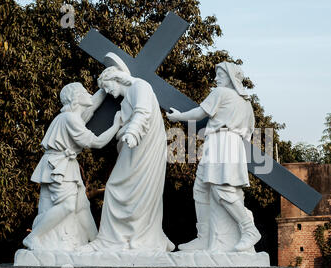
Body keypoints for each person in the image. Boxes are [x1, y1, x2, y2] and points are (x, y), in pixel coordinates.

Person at [82, 53, 174, 252]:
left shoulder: (140, 86)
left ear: (116, 78)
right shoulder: (125, 101)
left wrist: (131, 132)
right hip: (132, 148)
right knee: (118, 188)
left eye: (108, 87)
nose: (109, 92)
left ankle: (131, 238)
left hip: (143, 147)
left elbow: (143, 112)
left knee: (118, 187)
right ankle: (114, 239)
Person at [166, 62, 261, 252]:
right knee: (200, 188)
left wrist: (178, 117)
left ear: (231, 78)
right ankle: (204, 237)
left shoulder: (221, 93)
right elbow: (249, 133)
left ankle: (249, 229)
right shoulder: (247, 104)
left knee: (221, 191)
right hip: (229, 144)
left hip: (222, 142)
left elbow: (200, 112)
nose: (216, 79)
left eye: (220, 75)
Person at [23, 82, 122, 250]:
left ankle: (96, 242)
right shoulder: (70, 119)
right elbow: (95, 142)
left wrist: (105, 87)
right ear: (76, 98)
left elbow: (91, 106)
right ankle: (33, 237)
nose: (88, 94)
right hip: (58, 166)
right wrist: (116, 125)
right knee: (68, 206)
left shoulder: (73, 117)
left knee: (82, 205)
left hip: (66, 165)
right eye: (84, 92)